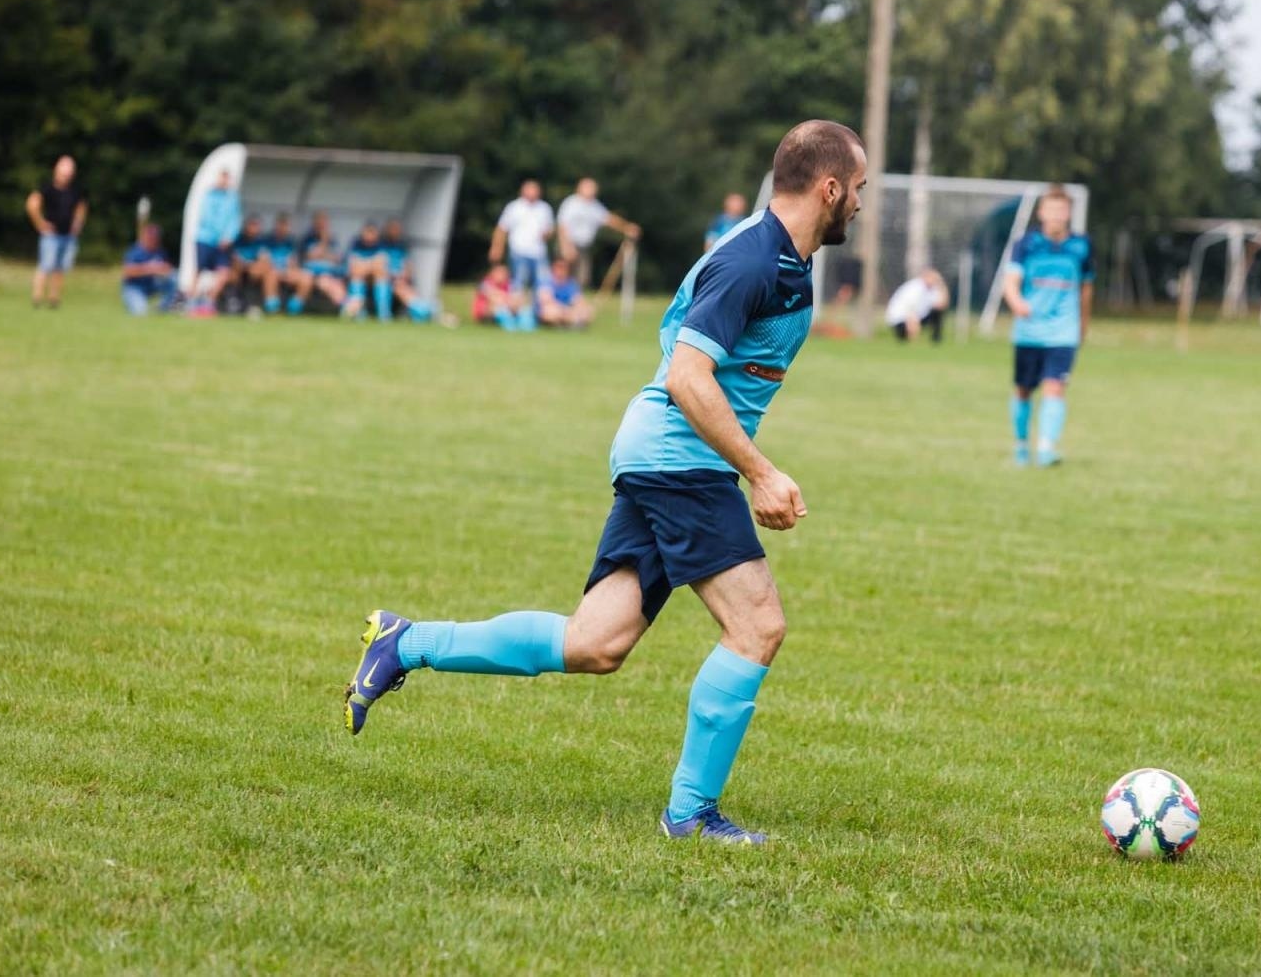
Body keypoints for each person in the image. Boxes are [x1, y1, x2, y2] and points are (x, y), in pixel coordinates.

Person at [341, 119, 867, 846]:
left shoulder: (783, 256)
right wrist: (761, 472)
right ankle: (690, 815)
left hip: (664, 455)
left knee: (597, 642)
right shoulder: (752, 261)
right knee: (757, 626)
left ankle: (406, 642)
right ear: (830, 187)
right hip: (680, 461)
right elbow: (688, 376)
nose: (862, 205)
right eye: (860, 190)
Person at [1002, 184, 1093, 467]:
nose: (1056, 216)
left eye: (1062, 211)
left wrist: (1083, 324)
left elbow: (1087, 288)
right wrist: (1016, 302)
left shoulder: (1081, 246)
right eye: (1051, 210)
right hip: (1029, 331)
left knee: (1055, 387)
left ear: (1069, 214)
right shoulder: (1026, 244)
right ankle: (1020, 446)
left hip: (1063, 331)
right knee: (1024, 389)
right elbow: (1011, 281)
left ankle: (1045, 449)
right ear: (1041, 213)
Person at [26, 155, 88, 310]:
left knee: (60, 268)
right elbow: (32, 204)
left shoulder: (75, 190)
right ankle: (37, 298)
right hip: (51, 235)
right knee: (45, 265)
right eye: (64, 170)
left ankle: (54, 299)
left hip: (67, 235)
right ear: (56, 170)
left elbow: (81, 207)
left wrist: (78, 224)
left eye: (69, 171)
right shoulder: (47, 188)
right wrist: (40, 223)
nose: (67, 175)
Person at [557, 177, 641, 287]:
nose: (591, 190)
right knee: (561, 276)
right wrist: (566, 246)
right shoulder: (571, 203)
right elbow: (562, 226)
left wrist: (626, 227)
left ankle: (573, 302)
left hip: (584, 248)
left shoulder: (594, 206)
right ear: (580, 188)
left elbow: (609, 219)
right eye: (588, 187)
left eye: (593, 188)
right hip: (569, 245)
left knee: (582, 278)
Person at [489, 180, 557, 299]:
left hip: (538, 252)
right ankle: (516, 305)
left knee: (543, 283)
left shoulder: (544, 208)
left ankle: (540, 306)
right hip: (518, 250)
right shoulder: (514, 207)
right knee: (519, 282)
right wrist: (496, 247)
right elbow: (502, 229)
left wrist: (547, 234)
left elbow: (550, 229)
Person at [189, 169, 242, 317]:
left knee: (224, 273)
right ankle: (191, 303)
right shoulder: (208, 195)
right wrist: (219, 236)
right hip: (206, 239)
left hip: (224, 242)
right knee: (198, 271)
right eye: (222, 178)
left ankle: (208, 303)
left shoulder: (232, 198)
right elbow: (206, 218)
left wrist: (229, 237)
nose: (224, 182)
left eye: (227, 179)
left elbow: (235, 220)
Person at [381, 218, 434, 323]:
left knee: (405, 289)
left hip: (399, 280)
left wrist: (404, 276)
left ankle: (423, 311)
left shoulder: (402, 246)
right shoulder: (381, 245)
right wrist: (393, 277)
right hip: (385, 279)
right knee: (400, 289)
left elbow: (408, 265)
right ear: (387, 230)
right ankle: (424, 312)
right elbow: (379, 265)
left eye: (397, 229)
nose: (396, 231)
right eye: (393, 228)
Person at [120, 223, 178, 316]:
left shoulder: (160, 252)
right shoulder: (135, 252)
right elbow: (128, 272)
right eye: (151, 237)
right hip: (134, 288)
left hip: (152, 285)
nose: (153, 240)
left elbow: (167, 268)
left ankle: (163, 307)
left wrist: (165, 269)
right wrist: (150, 269)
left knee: (174, 277)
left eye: (155, 237)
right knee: (141, 312)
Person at [295, 211, 347, 313]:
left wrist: (324, 253)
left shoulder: (333, 240)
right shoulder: (307, 239)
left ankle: (347, 306)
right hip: (313, 274)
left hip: (331, 273)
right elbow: (310, 256)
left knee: (336, 284)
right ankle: (346, 306)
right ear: (314, 223)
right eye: (319, 222)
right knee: (324, 281)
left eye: (324, 222)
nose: (322, 225)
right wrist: (323, 242)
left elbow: (336, 259)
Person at [230, 214, 280, 315]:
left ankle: (271, 304)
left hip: (255, 270)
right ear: (246, 226)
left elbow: (265, 258)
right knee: (237, 267)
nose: (254, 228)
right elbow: (235, 259)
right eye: (252, 225)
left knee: (270, 271)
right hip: (240, 271)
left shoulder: (261, 242)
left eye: (256, 226)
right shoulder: (237, 240)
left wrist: (256, 265)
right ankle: (236, 300)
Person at [884, 268, 950, 343]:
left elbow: (942, 305)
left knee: (937, 312)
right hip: (901, 319)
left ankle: (936, 340)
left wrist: (941, 285)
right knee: (904, 338)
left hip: (918, 317)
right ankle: (906, 337)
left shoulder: (932, 289)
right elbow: (910, 310)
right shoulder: (915, 287)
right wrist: (914, 332)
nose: (934, 281)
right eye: (933, 278)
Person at [342, 221, 389, 321]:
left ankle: (383, 314)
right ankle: (359, 313)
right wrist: (370, 265)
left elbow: (381, 265)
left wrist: (366, 266)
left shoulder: (381, 246)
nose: (369, 236)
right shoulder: (355, 245)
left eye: (372, 233)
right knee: (357, 276)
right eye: (367, 232)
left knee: (381, 276)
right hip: (358, 276)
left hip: (374, 277)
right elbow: (352, 267)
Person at [267, 214, 310, 315]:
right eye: (280, 225)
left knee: (307, 277)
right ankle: (272, 307)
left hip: (286, 271)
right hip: (272, 270)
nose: (282, 228)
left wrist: (291, 271)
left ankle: (294, 307)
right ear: (276, 226)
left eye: (285, 226)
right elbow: (264, 260)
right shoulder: (267, 240)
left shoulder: (291, 242)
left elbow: (293, 262)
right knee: (271, 274)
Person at [536, 257, 595, 329]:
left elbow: (579, 301)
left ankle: (565, 323)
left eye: (564, 267)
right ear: (553, 268)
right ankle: (570, 323)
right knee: (549, 312)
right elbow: (546, 301)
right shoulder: (545, 281)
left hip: (567, 311)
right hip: (554, 310)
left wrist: (576, 309)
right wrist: (565, 310)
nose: (561, 270)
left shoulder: (571, 283)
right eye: (559, 266)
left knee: (586, 311)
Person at [471, 263, 530, 329]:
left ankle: (523, 325)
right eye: (499, 273)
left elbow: (520, 297)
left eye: (504, 273)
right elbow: (492, 296)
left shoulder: (509, 284)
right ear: (493, 273)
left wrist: (511, 301)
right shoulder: (485, 283)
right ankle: (510, 324)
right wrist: (507, 299)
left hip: (505, 307)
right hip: (485, 311)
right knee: (498, 304)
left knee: (522, 307)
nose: (502, 275)